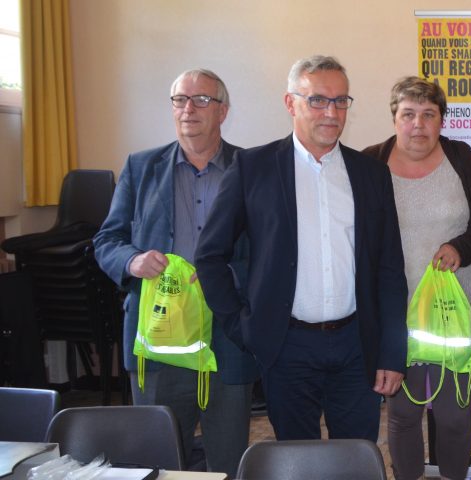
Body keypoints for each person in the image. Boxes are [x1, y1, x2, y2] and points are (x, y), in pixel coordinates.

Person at [195, 55, 408, 442]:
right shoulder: (253, 168)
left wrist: (392, 352)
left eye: (340, 101)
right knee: (297, 458)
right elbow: (210, 255)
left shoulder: (371, 174)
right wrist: (243, 327)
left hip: (356, 345)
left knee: (356, 458)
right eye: (318, 100)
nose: (331, 112)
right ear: (290, 103)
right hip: (285, 346)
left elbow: (390, 269)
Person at [94, 69, 257, 477]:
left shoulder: (252, 168)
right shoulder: (140, 167)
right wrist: (132, 261)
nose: (188, 109)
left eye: (202, 99)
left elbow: (273, 251)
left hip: (226, 338)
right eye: (180, 99)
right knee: (158, 459)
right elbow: (107, 240)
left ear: (223, 111)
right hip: (158, 339)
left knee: (227, 461)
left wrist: (229, 275)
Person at [361, 76, 471, 480]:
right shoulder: (370, 162)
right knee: (402, 414)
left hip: (453, 311)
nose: (418, 124)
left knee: (454, 417)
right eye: (408, 114)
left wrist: (460, 247)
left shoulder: (461, 157)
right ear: (394, 118)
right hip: (396, 314)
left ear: (441, 120)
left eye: (429, 114)